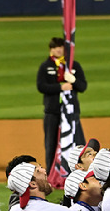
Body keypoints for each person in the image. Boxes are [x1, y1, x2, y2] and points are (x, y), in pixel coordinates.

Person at [37, 37, 87, 174]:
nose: (58, 49)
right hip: (52, 111)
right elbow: (41, 86)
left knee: (77, 141)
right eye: (55, 47)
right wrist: (60, 88)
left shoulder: (73, 66)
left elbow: (82, 86)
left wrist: (74, 80)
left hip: (71, 112)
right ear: (51, 50)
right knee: (51, 143)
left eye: (61, 47)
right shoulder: (45, 66)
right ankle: (52, 172)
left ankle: (79, 171)